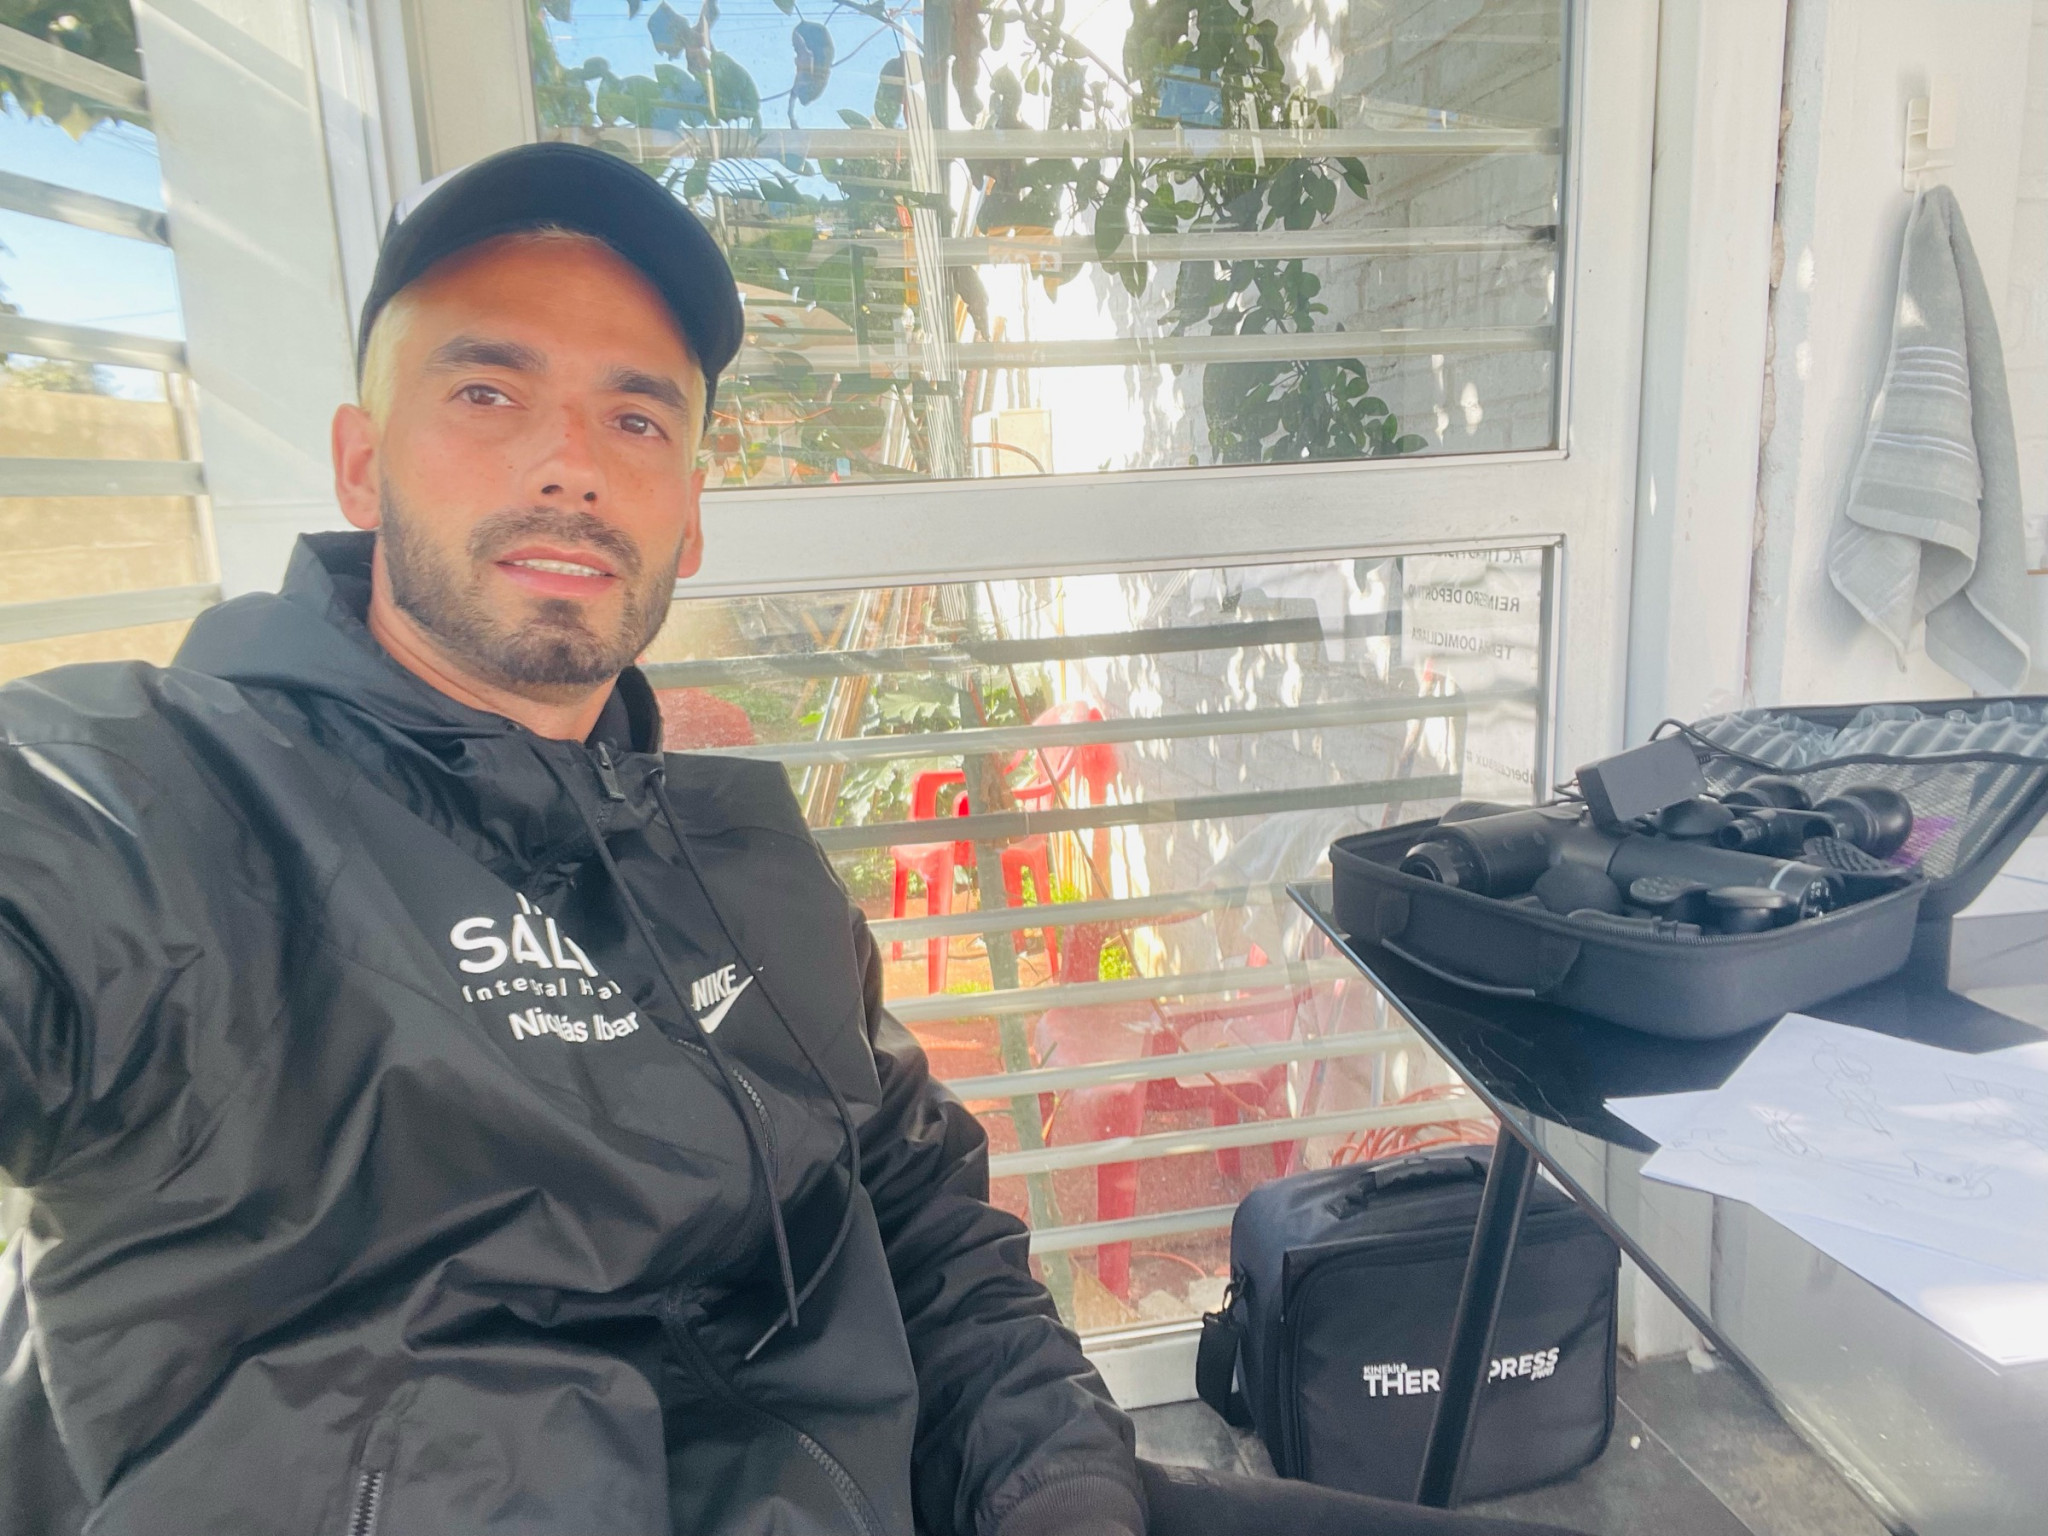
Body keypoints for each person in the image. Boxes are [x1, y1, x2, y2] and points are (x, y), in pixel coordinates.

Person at [0, 143, 1578, 1536]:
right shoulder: (173, 796)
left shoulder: (737, 862)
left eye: (636, 415)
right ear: (362, 463)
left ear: (689, 515)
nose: (570, 462)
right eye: (487, 394)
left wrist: (1059, 1494)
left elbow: (927, 1220)